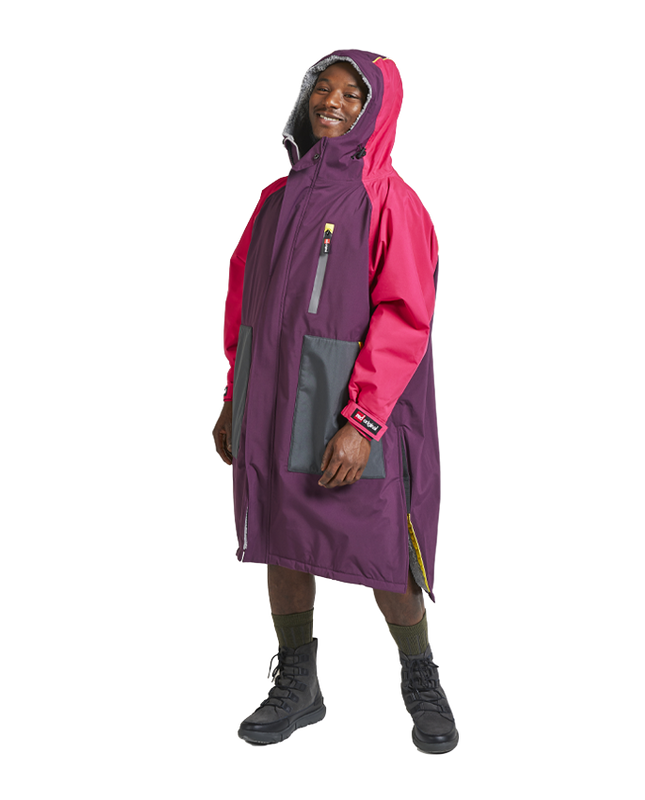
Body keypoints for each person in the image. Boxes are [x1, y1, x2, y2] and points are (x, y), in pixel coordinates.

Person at [212, 47, 457, 756]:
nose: (334, 103)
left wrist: (363, 421)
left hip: (354, 408)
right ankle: (298, 680)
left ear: (378, 113)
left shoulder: (392, 200)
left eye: (354, 96)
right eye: (326, 89)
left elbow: (405, 318)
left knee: (384, 544)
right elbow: (242, 302)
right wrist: (233, 395)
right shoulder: (276, 197)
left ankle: (421, 676)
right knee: (281, 532)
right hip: (271, 397)